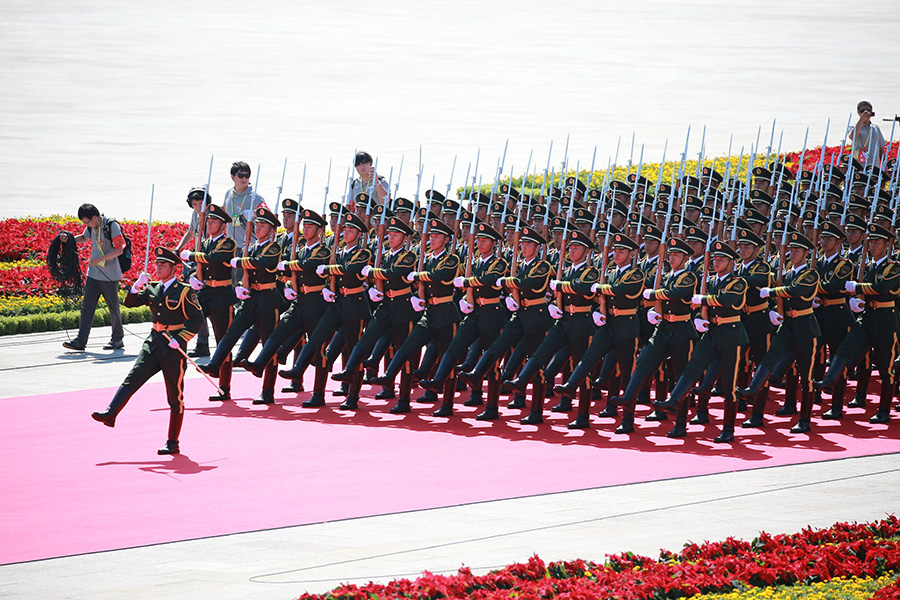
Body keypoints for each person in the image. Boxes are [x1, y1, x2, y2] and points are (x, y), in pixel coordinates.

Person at [91, 247, 203, 455]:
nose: (158, 268)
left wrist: (181, 339)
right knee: (133, 378)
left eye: (163, 265)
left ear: (173, 268)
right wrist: (135, 287)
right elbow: (130, 303)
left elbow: (197, 321)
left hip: (173, 348)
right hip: (153, 343)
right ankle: (111, 413)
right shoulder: (152, 288)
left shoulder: (185, 291)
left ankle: (173, 442)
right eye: (157, 264)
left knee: (174, 396)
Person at [179, 204, 237, 401]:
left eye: (214, 222)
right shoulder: (204, 243)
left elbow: (214, 259)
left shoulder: (228, 243)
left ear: (223, 226)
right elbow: (201, 265)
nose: (210, 224)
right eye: (209, 221)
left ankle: (224, 386)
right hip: (205, 294)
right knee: (184, 325)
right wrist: (195, 276)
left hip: (221, 295)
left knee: (223, 341)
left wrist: (194, 256)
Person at [60, 203, 126, 351]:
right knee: (87, 308)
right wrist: (69, 238)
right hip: (94, 274)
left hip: (109, 275)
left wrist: (99, 259)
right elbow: (84, 237)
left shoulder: (111, 226)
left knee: (113, 309)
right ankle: (80, 341)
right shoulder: (92, 226)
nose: (86, 225)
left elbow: (119, 250)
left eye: (87, 222)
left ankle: (117, 339)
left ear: (95, 217)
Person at [224, 161, 266, 251]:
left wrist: (254, 213)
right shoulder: (228, 194)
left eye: (247, 176)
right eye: (240, 175)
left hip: (248, 246)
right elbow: (224, 210)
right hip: (230, 245)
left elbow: (267, 213)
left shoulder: (254, 197)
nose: (244, 179)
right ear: (232, 177)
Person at [850, 101, 886, 167]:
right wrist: (861, 120)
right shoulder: (854, 127)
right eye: (862, 111)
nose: (865, 113)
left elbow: (881, 149)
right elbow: (852, 137)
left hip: (874, 166)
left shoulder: (876, 128)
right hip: (860, 167)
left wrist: (884, 165)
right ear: (858, 113)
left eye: (868, 111)